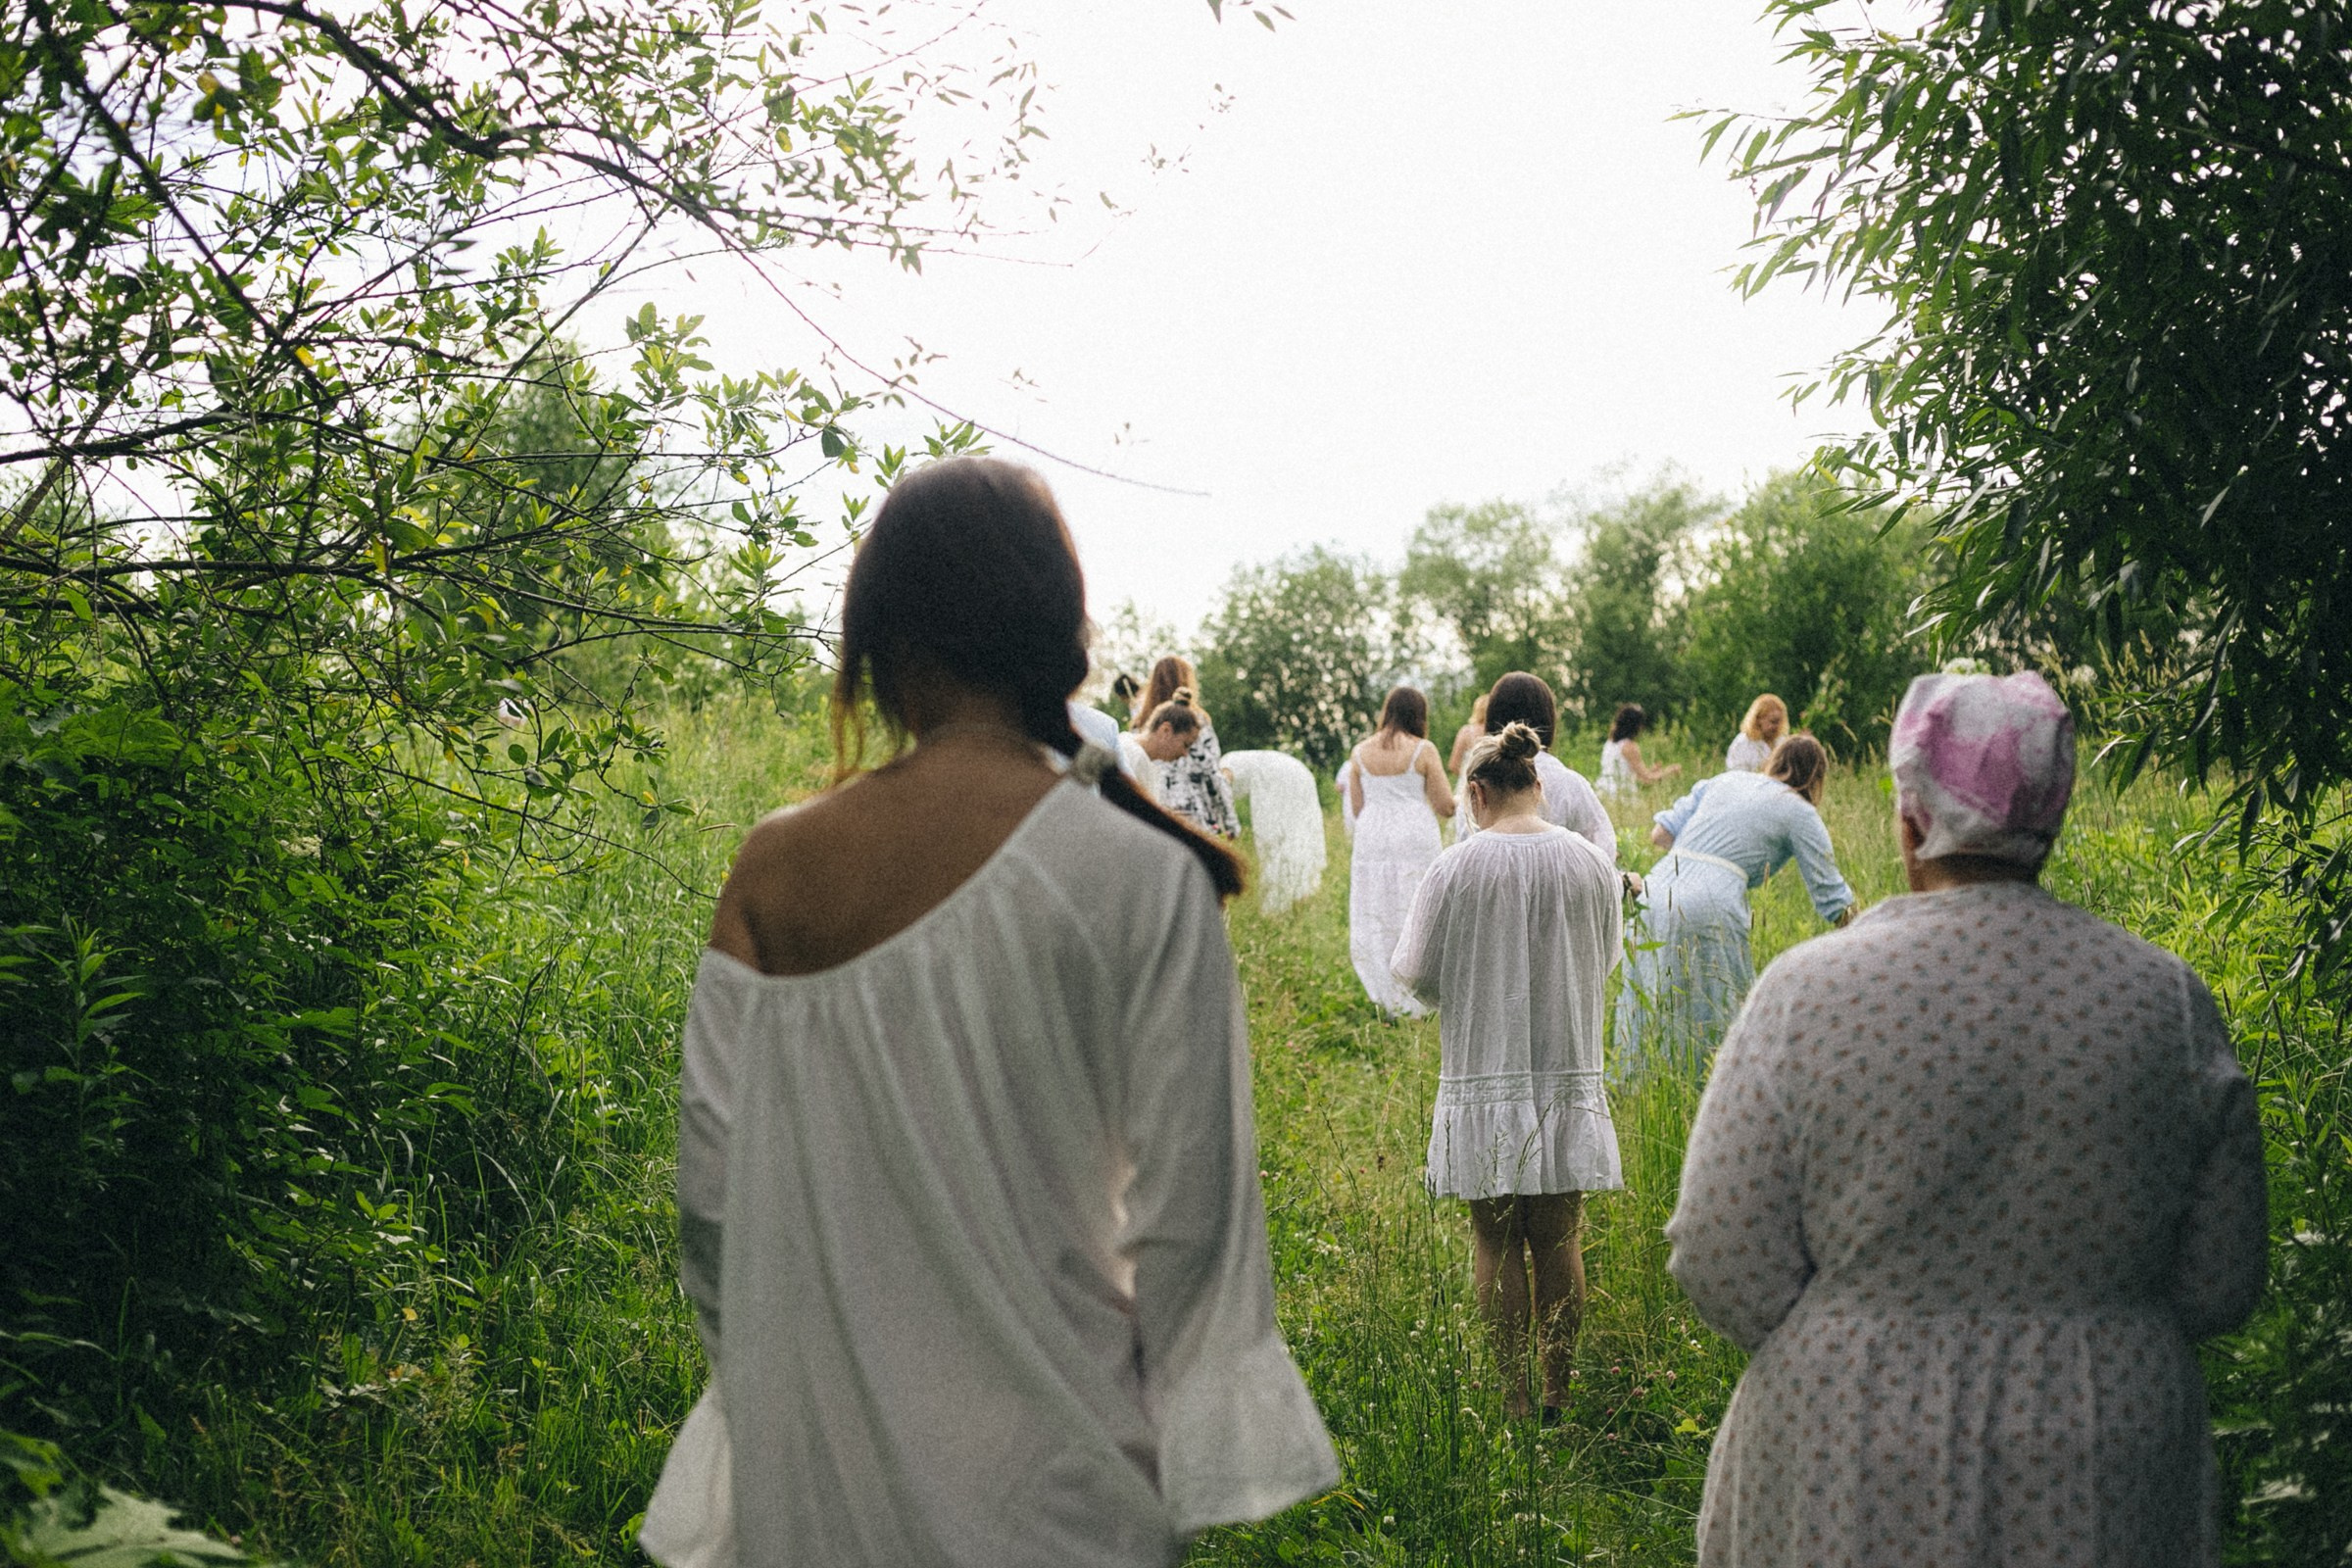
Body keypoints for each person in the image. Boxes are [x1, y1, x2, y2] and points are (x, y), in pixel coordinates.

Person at [638, 458, 1337, 1568]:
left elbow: (712, 1204)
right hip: (1064, 1489)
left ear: (879, 641)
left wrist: (796, 1406)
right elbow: (1193, 1227)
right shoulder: (1143, 875)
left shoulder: (772, 870)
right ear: (1060, 635)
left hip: (824, 1490)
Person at [1667, 671, 2266, 1568]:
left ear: (1911, 824)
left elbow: (1722, 1256)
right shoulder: (2165, 1001)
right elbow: (2222, 1279)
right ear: (2050, 818)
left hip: (1845, 1456)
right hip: (2102, 1460)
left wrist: (1866, 1335)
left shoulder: (1809, 992)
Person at [1393, 723, 1624, 1423]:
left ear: (1476, 793)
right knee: (1560, 1239)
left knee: (1494, 1240)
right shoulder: (1591, 864)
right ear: (1538, 786)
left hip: (1484, 1070)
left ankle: (1514, 1398)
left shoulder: (1455, 868)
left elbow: (1414, 973)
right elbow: (1605, 958)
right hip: (1565, 1068)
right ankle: (1558, 1393)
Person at [1614, 734, 1853, 1077]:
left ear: (1775, 760)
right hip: (1712, 901)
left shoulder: (1725, 780)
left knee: (1650, 999)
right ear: (1816, 778)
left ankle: (1640, 1083)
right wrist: (1867, 936)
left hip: (1656, 889)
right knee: (1720, 1005)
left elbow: (1659, 835)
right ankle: (1714, 1086)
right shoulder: (1799, 811)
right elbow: (1832, 896)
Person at [1346, 685, 1454, 1016]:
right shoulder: (1423, 750)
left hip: (1372, 837)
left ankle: (1385, 994)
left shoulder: (1359, 752)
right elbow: (1445, 806)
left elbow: (1358, 807)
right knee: (1416, 907)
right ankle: (1418, 994)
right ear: (1419, 715)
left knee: (1375, 908)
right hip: (1413, 834)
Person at [1452, 672, 1614, 863]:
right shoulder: (1571, 784)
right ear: (1548, 720)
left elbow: (1464, 850)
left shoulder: (1478, 785)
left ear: (1492, 718)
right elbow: (1603, 851)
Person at [1133, 659, 1239, 839]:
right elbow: (1212, 773)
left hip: (1154, 819)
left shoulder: (1142, 723)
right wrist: (1230, 822)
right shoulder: (1195, 722)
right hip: (1193, 818)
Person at [1221, 749, 1327, 914]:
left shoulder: (1224, 765)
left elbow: (1222, 790)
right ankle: (1297, 900)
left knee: (1276, 843)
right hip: (1297, 773)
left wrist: (1226, 825)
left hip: (1280, 778)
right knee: (1297, 839)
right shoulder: (1240, 760)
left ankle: (1278, 909)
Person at [1595, 703, 1680, 800]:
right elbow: (1647, 779)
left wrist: (1651, 771)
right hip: (1622, 796)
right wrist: (1669, 771)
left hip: (1604, 792)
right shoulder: (1630, 747)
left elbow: (1629, 773)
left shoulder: (1610, 742)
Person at [1723, 692, 1787, 772]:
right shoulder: (1743, 743)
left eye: (1779, 722)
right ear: (1758, 719)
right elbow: (1736, 775)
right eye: (1773, 721)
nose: (1776, 726)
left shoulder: (1781, 742)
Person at [1445, 692, 1492, 779]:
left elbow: (1453, 765)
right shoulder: (1497, 731)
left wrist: (1466, 776)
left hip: (1467, 781)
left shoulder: (1466, 731)